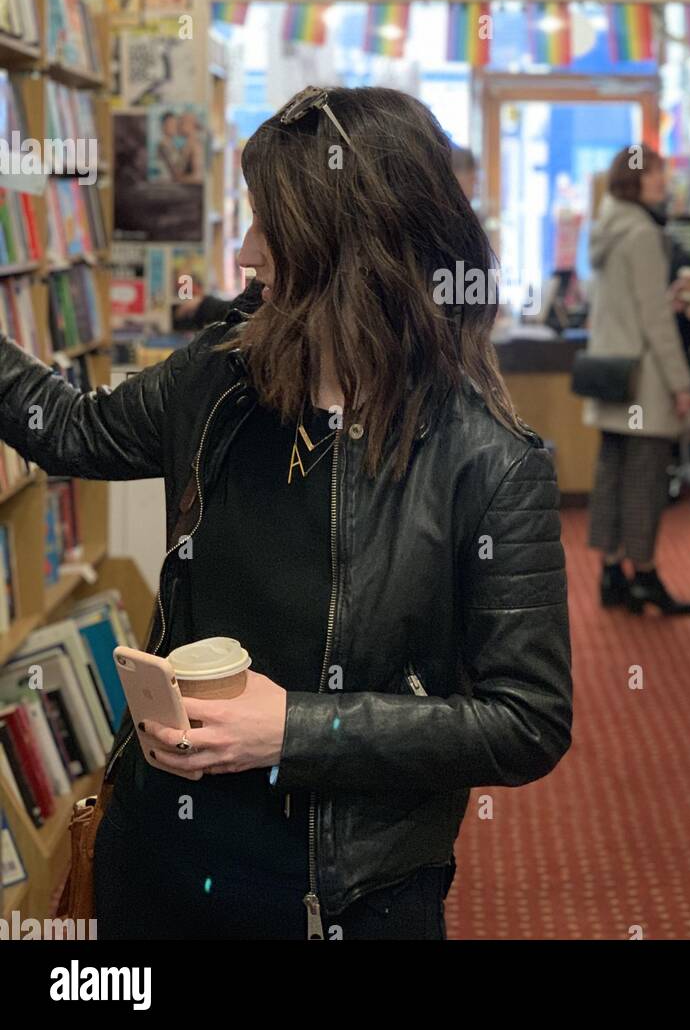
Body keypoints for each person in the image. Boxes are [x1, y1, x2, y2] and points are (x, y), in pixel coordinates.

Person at [0, 85, 571, 940]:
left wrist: (300, 729)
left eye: (266, 224)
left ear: (347, 247)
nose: (241, 252)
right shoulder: (223, 379)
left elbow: (527, 721)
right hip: (153, 856)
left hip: (339, 899)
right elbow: (75, 431)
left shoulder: (489, 462)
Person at [584, 146, 690, 617]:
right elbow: (654, 319)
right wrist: (681, 383)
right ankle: (645, 573)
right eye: (656, 175)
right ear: (636, 180)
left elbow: (619, 303)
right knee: (646, 477)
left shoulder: (606, 227)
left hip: (610, 372)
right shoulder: (645, 234)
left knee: (612, 470)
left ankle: (612, 572)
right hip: (645, 377)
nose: (664, 183)